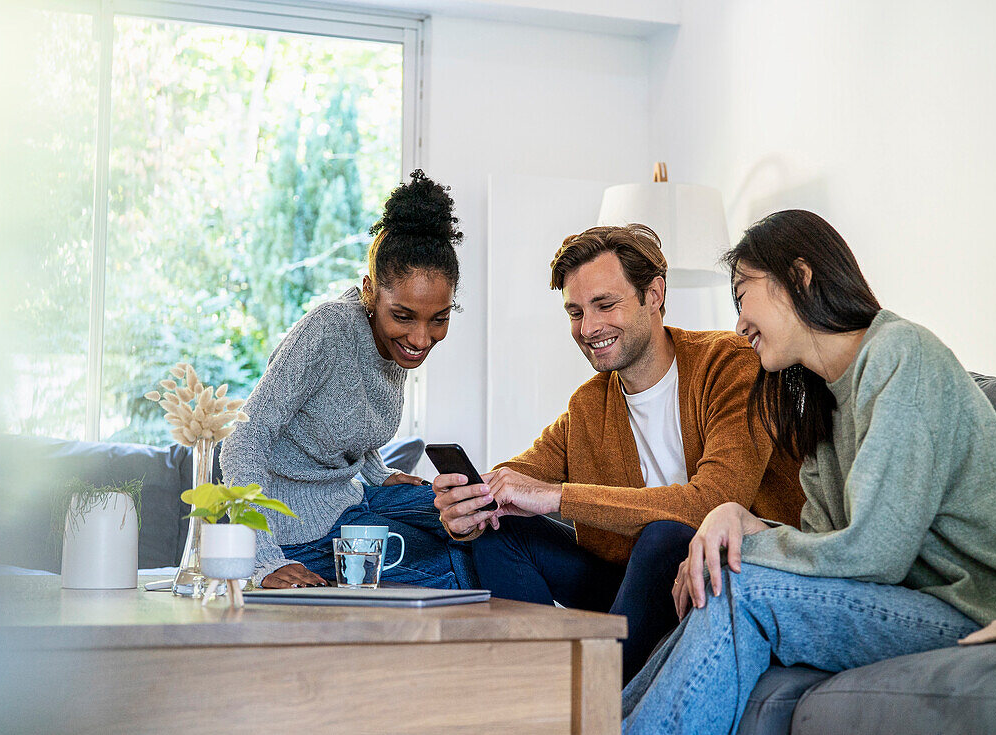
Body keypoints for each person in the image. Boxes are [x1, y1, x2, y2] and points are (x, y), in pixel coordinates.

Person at [621, 210, 996, 734]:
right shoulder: (823, 404)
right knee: (726, 578)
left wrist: (744, 547)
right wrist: (737, 520)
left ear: (799, 277)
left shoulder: (901, 353)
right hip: (925, 601)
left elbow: (874, 553)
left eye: (742, 294)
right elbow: (828, 547)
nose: (738, 324)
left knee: (741, 586)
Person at [433, 224, 804, 682]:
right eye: (575, 312)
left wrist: (556, 497)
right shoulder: (589, 403)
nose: (588, 328)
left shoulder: (728, 363)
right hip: (629, 583)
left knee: (665, 535)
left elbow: (715, 501)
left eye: (605, 305)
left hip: (718, 575)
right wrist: (473, 501)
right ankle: (534, 686)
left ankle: (598, 697)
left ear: (654, 295)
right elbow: (523, 472)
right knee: (500, 530)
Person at [220, 170, 476, 590]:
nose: (420, 338)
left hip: (348, 499)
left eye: (439, 319)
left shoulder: (395, 345)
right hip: (294, 530)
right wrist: (262, 560)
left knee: (473, 518)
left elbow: (346, 419)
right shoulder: (327, 332)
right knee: (454, 565)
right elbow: (242, 441)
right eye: (404, 316)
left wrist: (378, 472)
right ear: (370, 292)